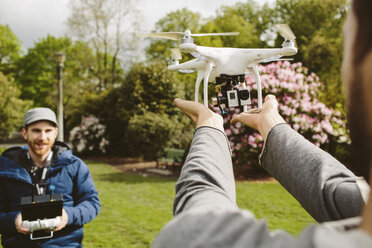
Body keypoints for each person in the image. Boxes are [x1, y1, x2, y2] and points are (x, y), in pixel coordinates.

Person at [151, 0, 372, 247]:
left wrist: (209, 126)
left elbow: (192, 232)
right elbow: (336, 191)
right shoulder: (362, 206)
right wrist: (273, 126)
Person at [0, 107, 101, 247]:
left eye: (48, 131)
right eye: (36, 130)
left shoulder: (74, 165)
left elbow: (91, 202)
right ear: (24, 133)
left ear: (56, 133)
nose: (42, 137)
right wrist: (13, 221)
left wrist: (68, 216)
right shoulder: (5, 168)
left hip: (64, 244)